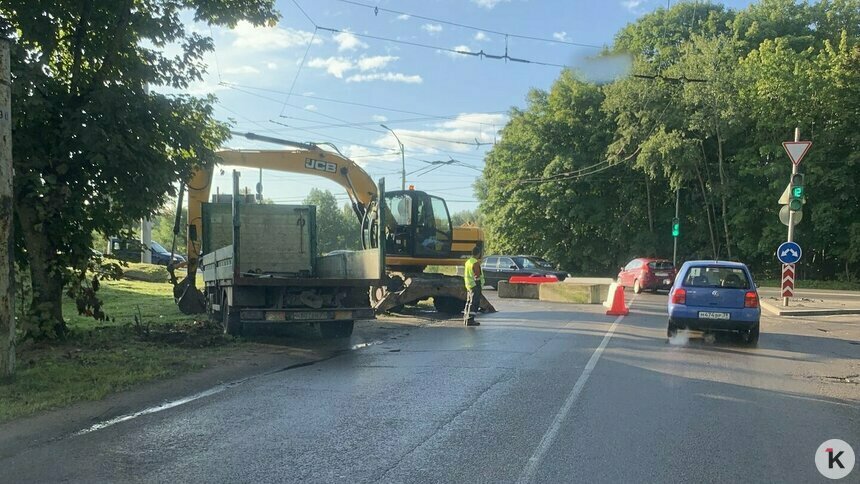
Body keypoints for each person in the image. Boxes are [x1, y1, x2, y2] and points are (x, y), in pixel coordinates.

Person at [463, 245, 484, 326]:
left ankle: (466, 318)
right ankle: (470, 320)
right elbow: (477, 275)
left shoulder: (468, 262)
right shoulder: (475, 263)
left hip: (468, 284)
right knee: (474, 303)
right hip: (475, 285)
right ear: (478, 254)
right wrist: (479, 284)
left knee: (468, 302)